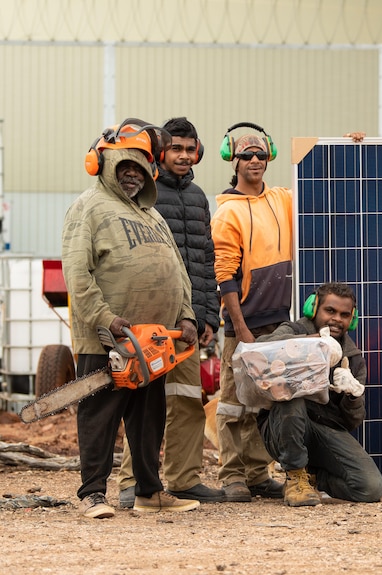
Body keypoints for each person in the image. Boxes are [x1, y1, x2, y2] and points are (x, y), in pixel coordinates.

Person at [65, 118, 200, 518]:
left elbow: (178, 270)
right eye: (124, 167)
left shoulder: (152, 215)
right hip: (106, 337)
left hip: (154, 340)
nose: (131, 176)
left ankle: (149, 491)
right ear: (103, 165)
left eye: (139, 169)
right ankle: (92, 494)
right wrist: (106, 319)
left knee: (148, 418)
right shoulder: (87, 207)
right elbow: (77, 273)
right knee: (99, 416)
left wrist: (187, 315)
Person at [116, 117, 225, 507]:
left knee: (186, 399)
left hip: (191, 321)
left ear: (198, 152)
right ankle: (133, 482)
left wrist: (209, 314)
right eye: (175, 148)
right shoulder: (143, 191)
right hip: (152, 317)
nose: (182, 155)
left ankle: (183, 479)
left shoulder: (198, 197)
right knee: (143, 404)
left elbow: (206, 259)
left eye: (189, 148)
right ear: (160, 152)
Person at [211, 124, 293, 502]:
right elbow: (224, 275)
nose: (255, 160)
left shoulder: (282, 200)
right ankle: (232, 476)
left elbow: (325, 188)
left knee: (265, 401)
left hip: (281, 323)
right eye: (247, 155)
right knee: (233, 402)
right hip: (245, 324)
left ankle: (259, 474)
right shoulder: (227, 213)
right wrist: (241, 329)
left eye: (260, 154)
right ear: (234, 159)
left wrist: (348, 147)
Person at [255, 282, 382, 506]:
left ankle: (312, 476)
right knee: (292, 397)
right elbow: (261, 346)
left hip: (324, 429)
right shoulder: (293, 330)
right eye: (330, 311)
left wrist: (352, 395)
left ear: (352, 319)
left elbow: (351, 421)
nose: (336, 319)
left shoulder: (352, 358)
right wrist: (311, 343)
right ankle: (295, 477)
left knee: (370, 488)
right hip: (282, 427)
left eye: (345, 315)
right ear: (313, 309)